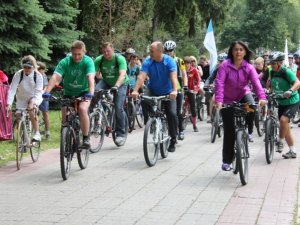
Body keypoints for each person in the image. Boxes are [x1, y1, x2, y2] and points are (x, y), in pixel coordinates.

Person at [215, 41, 266, 171]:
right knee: (229, 130)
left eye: (241, 49)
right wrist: (219, 100)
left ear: (245, 52)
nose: (238, 52)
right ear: (232, 52)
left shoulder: (248, 67)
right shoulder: (225, 66)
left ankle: (247, 129)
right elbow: (219, 83)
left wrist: (262, 97)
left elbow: (256, 83)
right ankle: (227, 161)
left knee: (251, 108)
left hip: (243, 95)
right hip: (226, 99)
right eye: (236, 49)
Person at [43, 40, 95, 147]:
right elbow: (55, 77)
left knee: (82, 109)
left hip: (84, 93)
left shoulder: (88, 61)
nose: (76, 57)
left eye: (79, 54)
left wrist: (91, 92)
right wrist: (47, 92)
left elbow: (91, 78)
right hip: (69, 93)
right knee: (65, 117)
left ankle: (86, 138)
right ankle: (67, 138)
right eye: (74, 54)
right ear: (71, 52)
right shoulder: (65, 62)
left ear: (84, 52)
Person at [131, 41, 178, 152]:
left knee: (171, 113)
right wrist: (135, 90)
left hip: (168, 91)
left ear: (160, 51)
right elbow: (141, 76)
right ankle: (151, 121)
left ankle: (173, 139)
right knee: (143, 100)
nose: (150, 53)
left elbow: (174, 77)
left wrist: (175, 91)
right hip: (153, 90)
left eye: (152, 51)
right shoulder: (148, 61)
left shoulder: (169, 61)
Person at [94, 42, 129, 146]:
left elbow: (122, 74)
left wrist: (116, 86)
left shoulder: (119, 59)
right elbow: (93, 75)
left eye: (108, 51)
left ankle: (120, 134)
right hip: (106, 81)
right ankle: (96, 117)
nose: (106, 53)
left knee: (118, 107)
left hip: (121, 83)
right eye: (104, 52)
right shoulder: (99, 60)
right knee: (94, 93)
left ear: (113, 50)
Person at [268, 52, 300, 159]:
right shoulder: (272, 72)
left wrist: (290, 90)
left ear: (280, 62)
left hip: (292, 101)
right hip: (281, 102)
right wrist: (269, 91)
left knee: (283, 121)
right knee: (285, 127)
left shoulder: (287, 72)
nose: (271, 64)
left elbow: (297, 83)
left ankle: (280, 141)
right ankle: (292, 151)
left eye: (273, 62)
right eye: (270, 62)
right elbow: (272, 84)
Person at [7, 55, 43, 141]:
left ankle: (37, 133)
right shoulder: (18, 74)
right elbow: (12, 90)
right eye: (25, 67)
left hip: (33, 96)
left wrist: (34, 103)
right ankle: (22, 139)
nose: (26, 69)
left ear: (34, 67)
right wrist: (9, 104)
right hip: (21, 97)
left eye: (29, 68)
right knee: (18, 115)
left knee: (31, 110)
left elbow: (38, 92)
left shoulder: (38, 76)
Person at [163, 40, 187, 140]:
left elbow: (184, 74)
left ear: (174, 50)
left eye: (171, 50)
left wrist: (185, 85)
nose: (169, 52)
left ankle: (181, 130)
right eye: (167, 50)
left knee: (177, 111)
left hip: (177, 88)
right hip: (166, 88)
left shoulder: (179, 60)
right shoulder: (162, 60)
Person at [184, 56, 200, 132]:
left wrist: (196, 89)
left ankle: (194, 125)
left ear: (190, 63)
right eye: (185, 63)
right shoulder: (181, 70)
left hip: (191, 90)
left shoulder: (194, 70)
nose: (186, 65)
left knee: (193, 108)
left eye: (188, 63)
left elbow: (198, 80)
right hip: (183, 90)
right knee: (180, 108)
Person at [37, 61, 51, 139]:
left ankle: (47, 131)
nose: (41, 71)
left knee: (45, 113)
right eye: (40, 69)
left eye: (42, 69)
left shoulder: (43, 75)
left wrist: (42, 92)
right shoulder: (34, 74)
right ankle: (37, 130)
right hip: (35, 96)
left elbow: (45, 86)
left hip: (43, 96)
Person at [199, 55, 211, 122]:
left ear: (206, 61)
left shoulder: (209, 67)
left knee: (207, 100)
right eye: (201, 62)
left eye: (203, 62)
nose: (202, 64)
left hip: (207, 82)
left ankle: (209, 114)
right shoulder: (199, 66)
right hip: (201, 81)